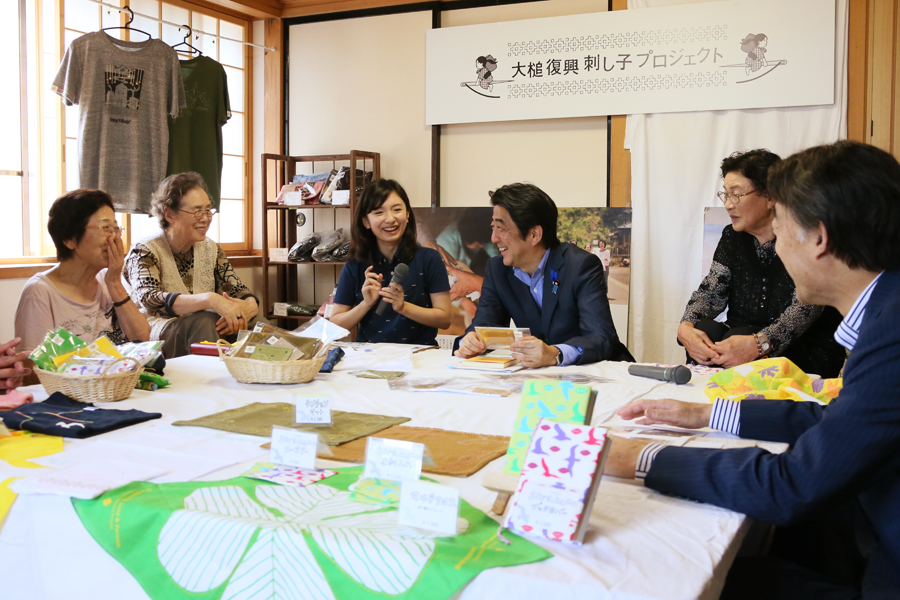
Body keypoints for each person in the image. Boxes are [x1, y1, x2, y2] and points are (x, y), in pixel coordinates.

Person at [606, 141, 900, 599]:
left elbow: (793, 483)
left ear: (819, 239)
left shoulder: (891, 332)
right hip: (865, 521)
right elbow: (834, 418)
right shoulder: (886, 309)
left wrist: (640, 458)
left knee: (680, 575)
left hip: (885, 566)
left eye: (782, 230)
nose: (778, 247)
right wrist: (706, 416)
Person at [678, 149, 845, 377]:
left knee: (738, 338)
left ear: (770, 196)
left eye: (736, 194)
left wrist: (759, 343)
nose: (728, 204)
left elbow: (805, 309)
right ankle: (708, 402)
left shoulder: (804, 233)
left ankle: (736, 406)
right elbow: (711, 292)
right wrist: (686, 326)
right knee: (705, 330)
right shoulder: (732, 237)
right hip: (740, 336)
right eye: (725, 195)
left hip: (802, 344)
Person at [454, 183, 628, 367]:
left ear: (534, 234)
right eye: (493, 227)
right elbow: (484, 325)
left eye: (501, 228)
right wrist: (470, 341)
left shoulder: (580, 266)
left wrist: (556, 353)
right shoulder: (497, 269)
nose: (494, 238)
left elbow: (601, 336)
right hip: (539, 377)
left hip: (597, 373)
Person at [123, 172, 258, 358]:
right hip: (158, 333)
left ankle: (275, 377)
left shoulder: (211, 248)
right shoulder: (144, 250)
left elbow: (237, 288)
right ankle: (210, 384)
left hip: (205, 322)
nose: (205, 218)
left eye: (208, 210)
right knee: (204, 321)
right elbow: (150, 298)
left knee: (255, 321)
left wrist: (250, 306)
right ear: (169, 214)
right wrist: (210, 300)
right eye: (197, 211)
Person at [15, 189, 151, 356]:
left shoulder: (107, 280)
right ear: (70, 239)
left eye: (116, 228)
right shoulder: (40, 292)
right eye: (105, 228)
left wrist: (115, 283)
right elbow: (32, 367)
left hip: (118, 380)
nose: (114, 238)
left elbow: (143, 339)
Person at [329, 179, 451, 345]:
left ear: (407, 215)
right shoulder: (355, 264)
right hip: (369, 356)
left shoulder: (429, 258)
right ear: (366, 221)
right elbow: (335, 326)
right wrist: (366, 304)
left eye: (397, 210)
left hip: (420, 358)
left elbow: (444, 319)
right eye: (379, 212)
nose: (390, 219)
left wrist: (403, 307)